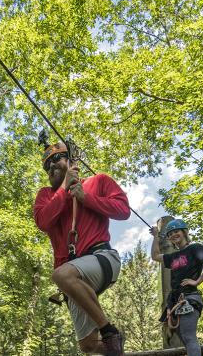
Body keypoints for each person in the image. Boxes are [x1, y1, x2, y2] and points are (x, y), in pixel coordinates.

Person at [33, 142, 131, 356]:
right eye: (47, 164)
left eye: (56, 159)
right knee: (88, 346)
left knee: (61, 275)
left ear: (71, 161)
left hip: (101, 257)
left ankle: (109, 330)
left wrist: (86, 198)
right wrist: (63, 190)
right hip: (70, 276)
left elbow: (123, 211)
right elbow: (43, 221)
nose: (51, 165)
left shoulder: (99, 181)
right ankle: (115, 348)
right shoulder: (45, 195)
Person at [149, 219, 203, 356]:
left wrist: (197, 281)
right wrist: (156, 236)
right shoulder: (173, 256)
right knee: (185, 339)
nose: (173, 235)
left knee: (189, 337)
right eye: (170, 234)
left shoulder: (195, 248)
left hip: (189, 297)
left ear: (184, 232)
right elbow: (155, 256)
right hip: (176, 300)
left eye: (176, 231)